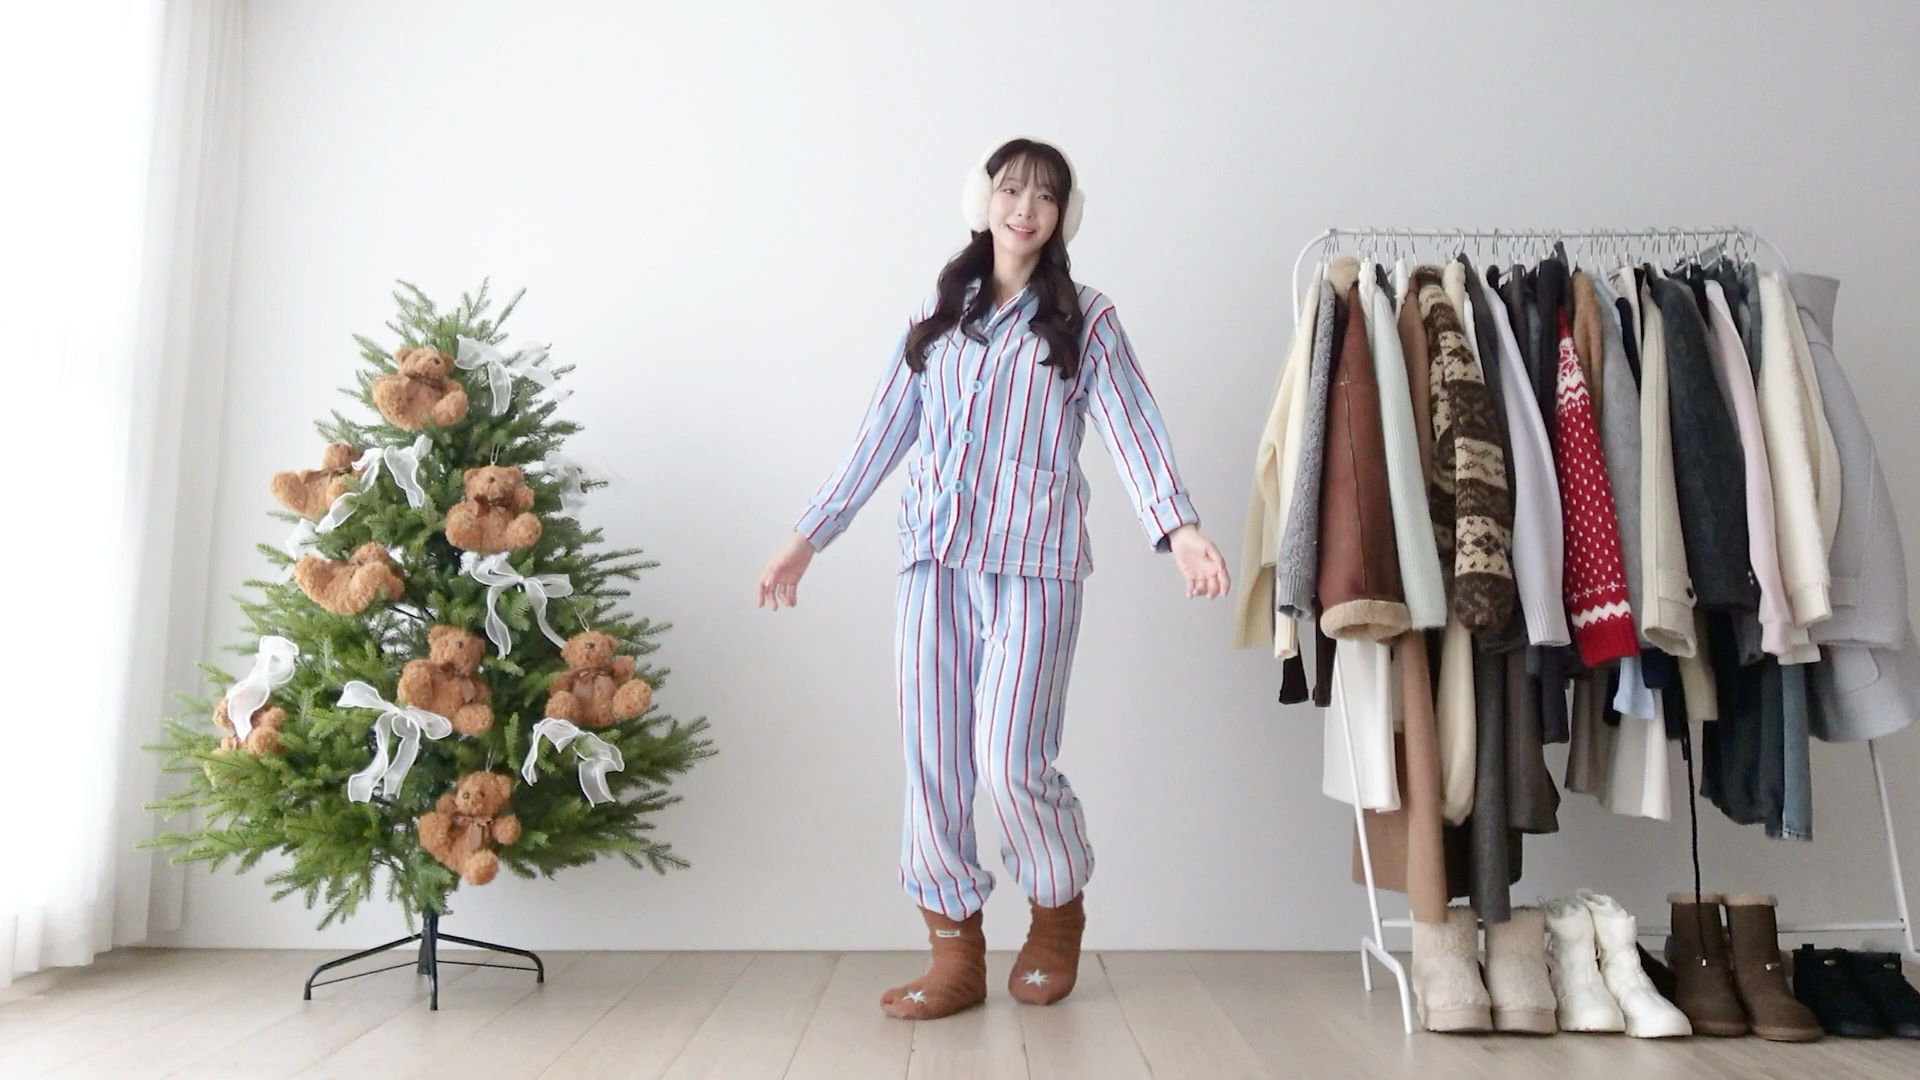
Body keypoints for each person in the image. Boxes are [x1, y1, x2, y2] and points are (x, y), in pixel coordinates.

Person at [756, 137, 1229, 1020]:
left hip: (1037, 565)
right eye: (1012, 189)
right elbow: (880, 433)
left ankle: (1056, 909)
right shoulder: (939, 312)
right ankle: (954, 953)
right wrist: (805, 537)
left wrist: (1182, 529)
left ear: (1062, 216)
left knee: (1010, 762)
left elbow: (1132, 426)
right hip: (933, 564)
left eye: (1045, 196)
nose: (1025, 208)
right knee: (933, 763)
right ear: (986, 201)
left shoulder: (1087, 319)